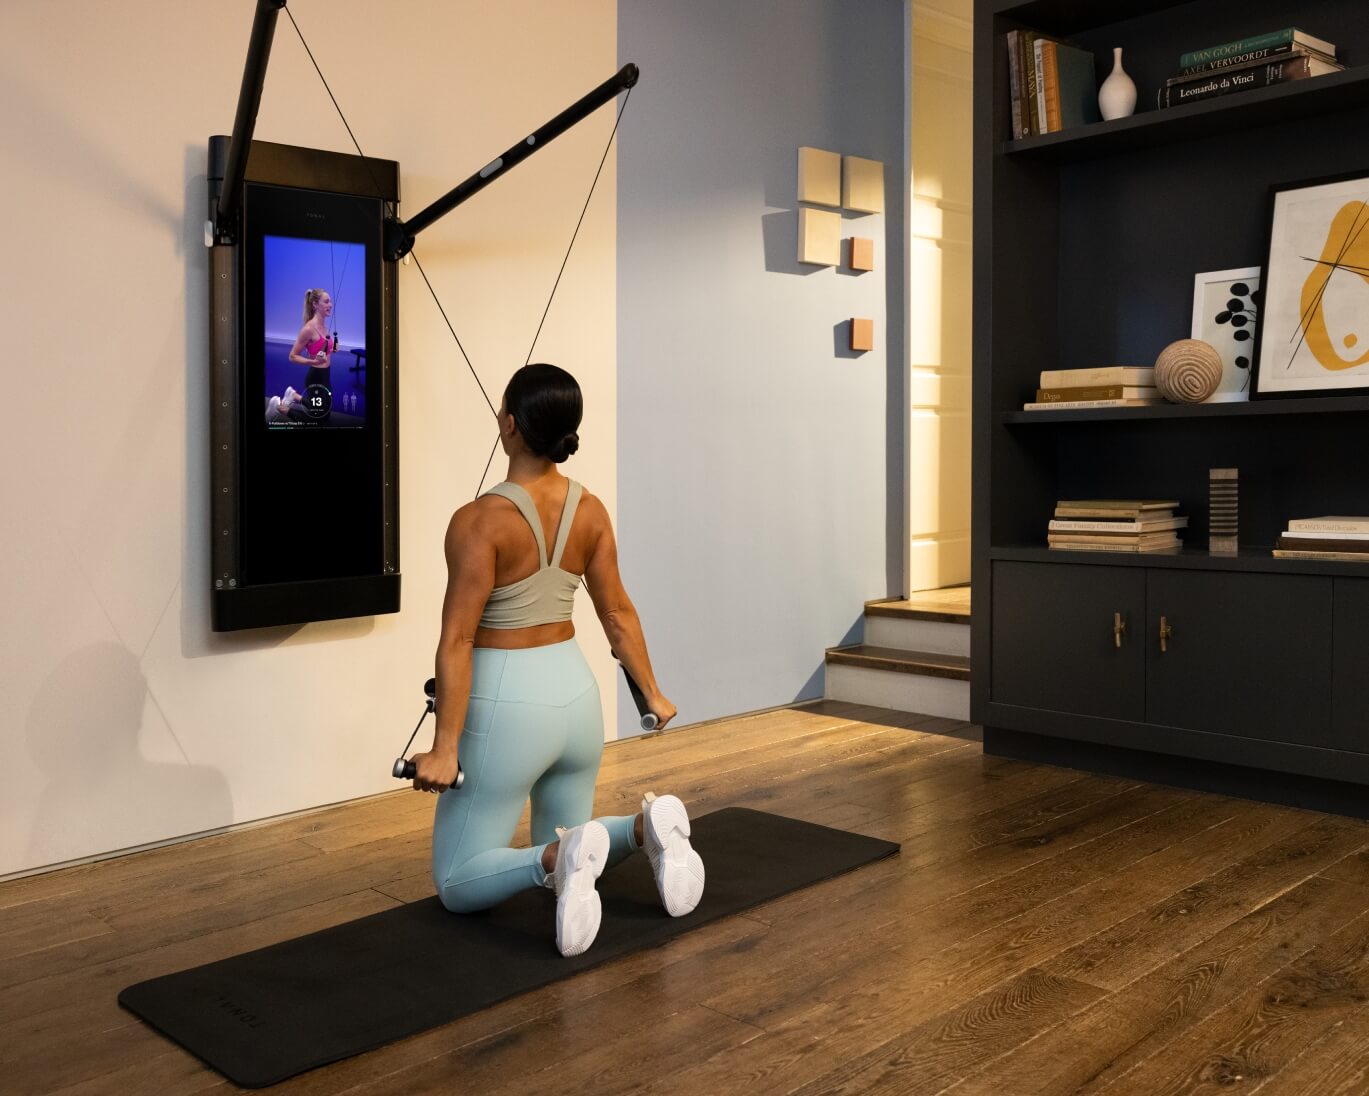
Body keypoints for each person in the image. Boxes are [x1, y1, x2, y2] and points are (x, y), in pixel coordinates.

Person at [407, 363, 705, 957]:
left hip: (506, 710)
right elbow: (617, 612)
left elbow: (458, 639)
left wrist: (444, 749)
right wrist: (652, 693)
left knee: (457, 881)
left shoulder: (478, 522)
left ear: (509, 424)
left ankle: (552, 860)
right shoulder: (589, 510)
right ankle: (647, 828)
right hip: (576, 699)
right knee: (573, 835)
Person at [283, 289, 334, 414]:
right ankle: (279, 408)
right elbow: (292, 356)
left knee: (323, 412)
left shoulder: (324, 326)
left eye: (330, 302)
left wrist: (332, 349)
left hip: (326, 374)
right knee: (319, 418)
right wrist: (314, 361)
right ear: (315, 304)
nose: (330, 305)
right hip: (315, 376)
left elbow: (321, 349)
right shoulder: (308, 329)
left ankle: (294, 395)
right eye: (326, 302)